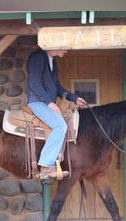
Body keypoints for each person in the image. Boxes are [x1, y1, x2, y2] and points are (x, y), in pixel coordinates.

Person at [26, 48, 86, 180]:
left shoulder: (52, 61)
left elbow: (56, 86)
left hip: (45, 102)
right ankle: (46, 166)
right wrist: (49, 103)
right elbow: (34, 84)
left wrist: (73, 98)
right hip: (37, 102)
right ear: (55, 45)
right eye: (65, 47)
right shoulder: (37, 57)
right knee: (60, 126)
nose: (67, 51)